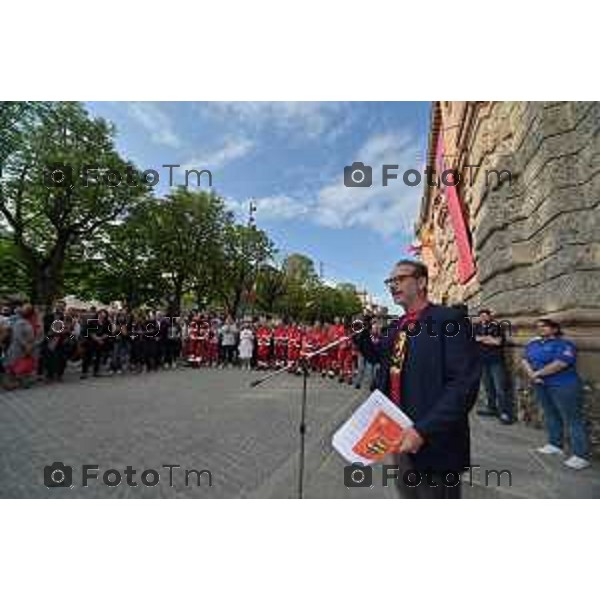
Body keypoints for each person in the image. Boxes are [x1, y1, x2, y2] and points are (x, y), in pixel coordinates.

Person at [356, 259, 481, 499]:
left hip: (433, 438)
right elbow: (378, 357)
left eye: (400, 279)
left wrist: (423, 430)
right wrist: (359, 334)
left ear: (421, 282)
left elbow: (463, 384)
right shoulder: (396, 326)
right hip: (397, 432)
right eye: (390, 281)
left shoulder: (449, 320)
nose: (393, 285)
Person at [522, 319, 590, 470]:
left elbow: (561, 363)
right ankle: (555, 444)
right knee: (551, 413)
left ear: (554, 329)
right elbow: (524, 359)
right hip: (541, 384)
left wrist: (537, 373)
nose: (540, 329)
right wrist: (531, 375)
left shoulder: (565, 344)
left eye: (544, 326)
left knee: (572, 418)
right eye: (537, 326)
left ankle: (581, 455)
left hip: (563, 385)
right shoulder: (533, 344)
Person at [474, 308, 513, 424]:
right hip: (482, 361)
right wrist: (488, 338)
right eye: (481, 316)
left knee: (500, 387)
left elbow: (498, 342)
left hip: (496, 361)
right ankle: (492, 408)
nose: (483, 317)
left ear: (490, 316)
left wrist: (482, 339)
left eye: (485, 315)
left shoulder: (497, 326)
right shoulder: (476, 328)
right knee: (488, 387)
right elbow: (472, 339)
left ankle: (505, 413)